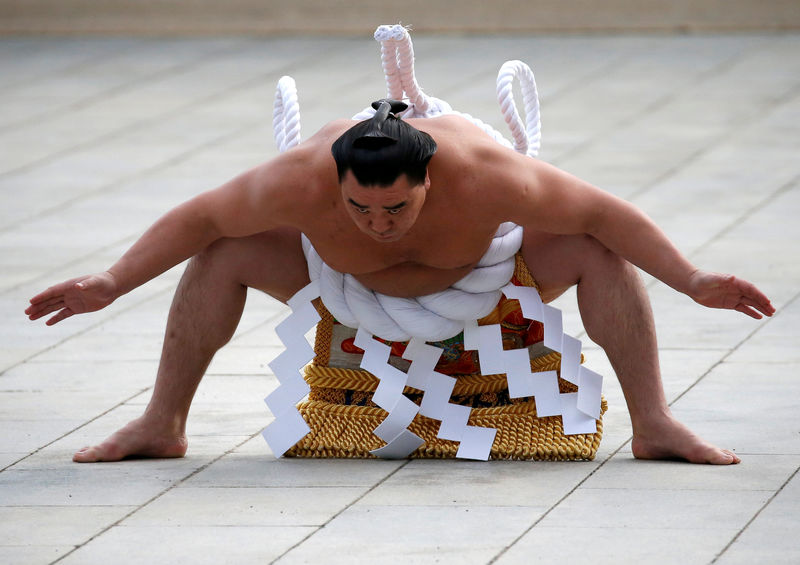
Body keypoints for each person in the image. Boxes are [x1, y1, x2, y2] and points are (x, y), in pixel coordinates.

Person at [25, 100, 774, 465]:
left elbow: (609, 214)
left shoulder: (486, 175)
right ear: (336, 182)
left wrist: (693, 277)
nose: (379, 221)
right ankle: (163, 421)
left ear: (430, 180)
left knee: (592, 248)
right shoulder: (295, 183)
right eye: (360, 206)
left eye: (397, 206)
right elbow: (198, 219)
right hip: (340, 288)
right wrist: (112, 281)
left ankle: (655, 424)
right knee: (221, 255)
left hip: (489, 285)